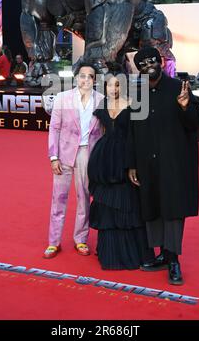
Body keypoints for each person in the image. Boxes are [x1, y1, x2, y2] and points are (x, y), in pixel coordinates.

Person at [127, 47, 199, 285]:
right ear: (138, 69)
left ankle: (173, 260)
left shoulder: (178, 89)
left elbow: (195, 123)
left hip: (174, 162)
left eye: (152, 62)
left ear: (160, 62)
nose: (149, 67)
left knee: (172, 209)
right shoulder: (138, 94)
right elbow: (133, 133)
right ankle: (162, 254)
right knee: (152, 207)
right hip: (147, 162)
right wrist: (132, 164)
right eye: (143, 65)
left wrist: (184, 106)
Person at [88, 65, 154, 270]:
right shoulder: (101, 104)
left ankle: (135, 253)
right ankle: (109, 251)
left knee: (129, 203)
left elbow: (140, 134)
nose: (113, 89)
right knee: (106, 203)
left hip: (126, 157)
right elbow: (96, 131)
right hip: (105, 160)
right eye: (109, 85)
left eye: (117, 85)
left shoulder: (134, 104)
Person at [44, 62, 104, 259]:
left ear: (95, 80)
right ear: (76, 77)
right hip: (64, 154)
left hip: (89, 154)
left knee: (84, 199)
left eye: (90, 76)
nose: (86, 79)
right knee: (58, 198)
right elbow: (54, 128)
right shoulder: (62, 98)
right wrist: (54, 156)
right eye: (83, 75)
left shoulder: (101, 100)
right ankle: (54, 242)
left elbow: (104, 131)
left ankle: (81, 239)